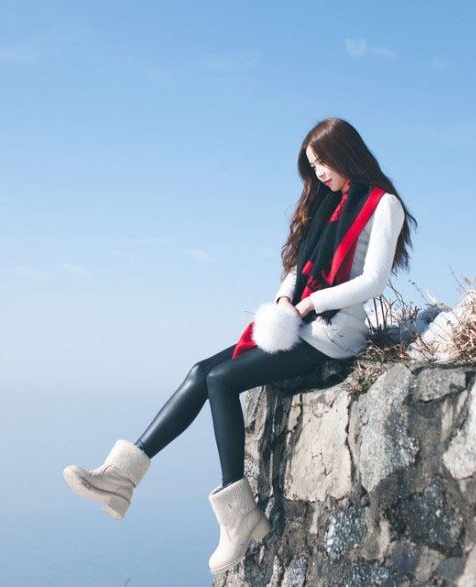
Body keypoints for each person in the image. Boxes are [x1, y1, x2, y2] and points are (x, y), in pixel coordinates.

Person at [62, 117, 417, 575]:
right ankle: (122, 475)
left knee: (223, 380)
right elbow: (300, 267)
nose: (319, 173)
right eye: (312, 166)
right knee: (200, 371)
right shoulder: (330, 203)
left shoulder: (383, 204)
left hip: (333, 335)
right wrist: (286, 298)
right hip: (299, 323)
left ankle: (240, 516)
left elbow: (374, 281)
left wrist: (310, 305)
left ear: (345, 153)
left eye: (323, 161)